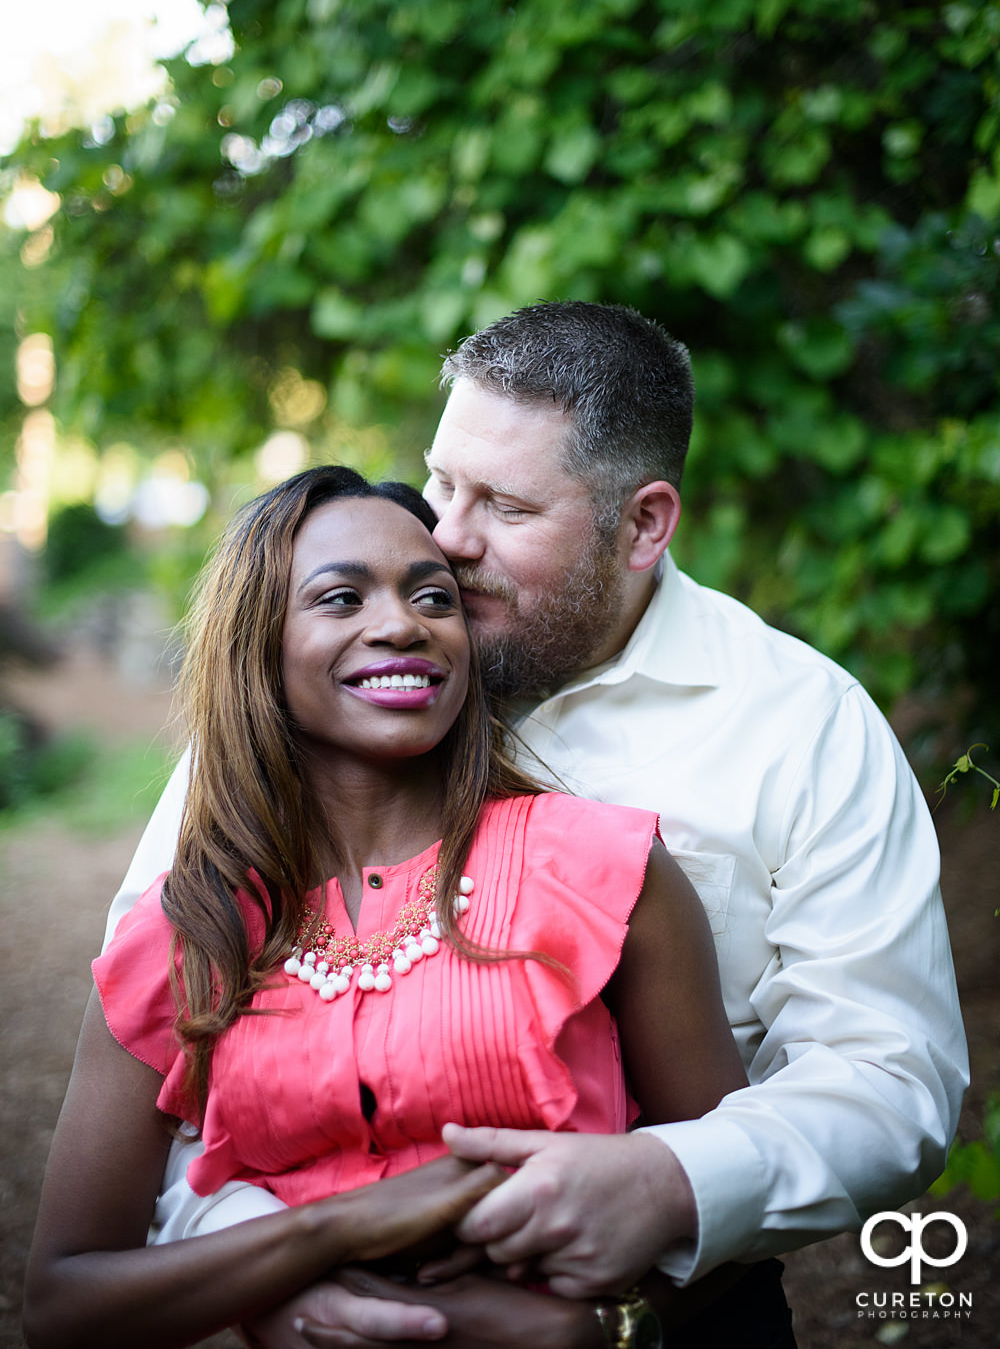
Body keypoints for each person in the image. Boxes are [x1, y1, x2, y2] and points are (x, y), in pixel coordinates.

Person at [101, 301, 968, 1349]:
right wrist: (266, 1259)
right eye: (443, 481)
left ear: (643, 523)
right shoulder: (339, 683)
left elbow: (889, 1073)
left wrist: (671, 1181)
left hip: (678, 1305)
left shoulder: (799, 724)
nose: (448, 538)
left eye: (505, 506)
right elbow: (160, 1027)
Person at [25, 466, 750, 1349]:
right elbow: (65, 1302)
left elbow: (728, 1198)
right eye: (340, 598)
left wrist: (604, 1326)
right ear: (260, 645)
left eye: (433, 596)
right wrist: (327, 1233)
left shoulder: (607, 873)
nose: (401, 624)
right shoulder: (189, 935)